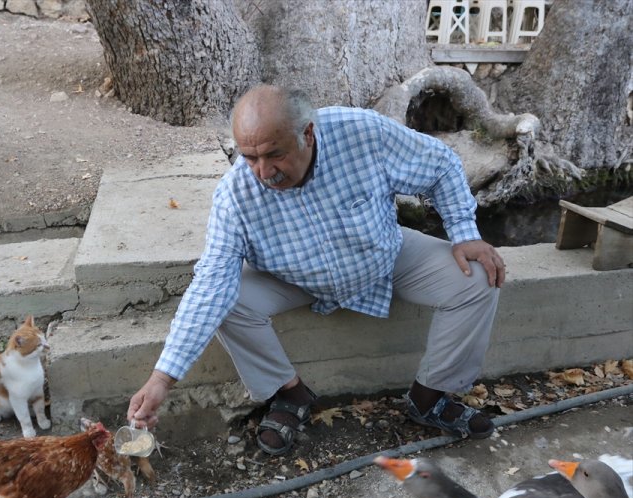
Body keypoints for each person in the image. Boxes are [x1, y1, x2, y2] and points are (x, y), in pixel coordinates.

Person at [127, 84, 505, 455]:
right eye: (249, 157)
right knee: (230, 300)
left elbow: (440, 164)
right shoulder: (235, 196)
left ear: (307, 133)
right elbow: (211, 285)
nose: (263, 172)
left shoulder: (360, 132)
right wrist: (163, 378)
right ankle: (289, 394)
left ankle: (430, 398)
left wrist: (464, 233)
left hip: (383, 255)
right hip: (296, 277)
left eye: (274, 154)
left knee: (476, 277)